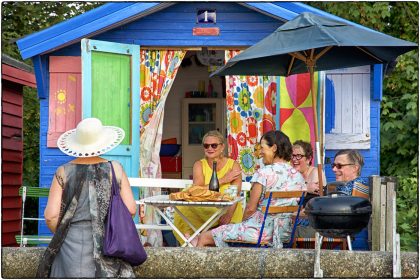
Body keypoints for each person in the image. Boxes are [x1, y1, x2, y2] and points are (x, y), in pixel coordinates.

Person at [37, 118, 137, 278]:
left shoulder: (62, 172)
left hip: (69, 250)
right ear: (102, 142)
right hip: (107, 246)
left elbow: (51, 217)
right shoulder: (116, 169)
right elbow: (131, 209)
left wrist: (64, 233)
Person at [194, 130, 306, 248]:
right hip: (285, 234)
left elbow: (250, 209)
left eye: (262, 148)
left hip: (259, 233)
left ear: (274, 148)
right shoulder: (298, 176)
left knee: (204, 237)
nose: (260, 152)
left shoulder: (264, 173)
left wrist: (241, 226)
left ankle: (197, 267)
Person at [173, 130, 243, 245]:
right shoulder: (199, 165)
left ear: (222, 147)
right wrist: (223, 180)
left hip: (227, 208)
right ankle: (191, 238)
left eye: (214, 145)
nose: (210, 148)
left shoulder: (233, 165)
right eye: (206, 146)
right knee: (181, 206)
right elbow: (197, 189)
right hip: (204, 209)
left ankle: (199, 240)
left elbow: (236, 193)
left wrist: (228, 215)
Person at [295, 149, 370, 250]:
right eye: (333, 165)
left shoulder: (348, 187)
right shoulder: (359, 185)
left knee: (287, 231)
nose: (334, 169)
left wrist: (301, 213)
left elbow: (333, 212)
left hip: (330, 231)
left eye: (339, 166)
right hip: (338, 230)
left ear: (354, 168)